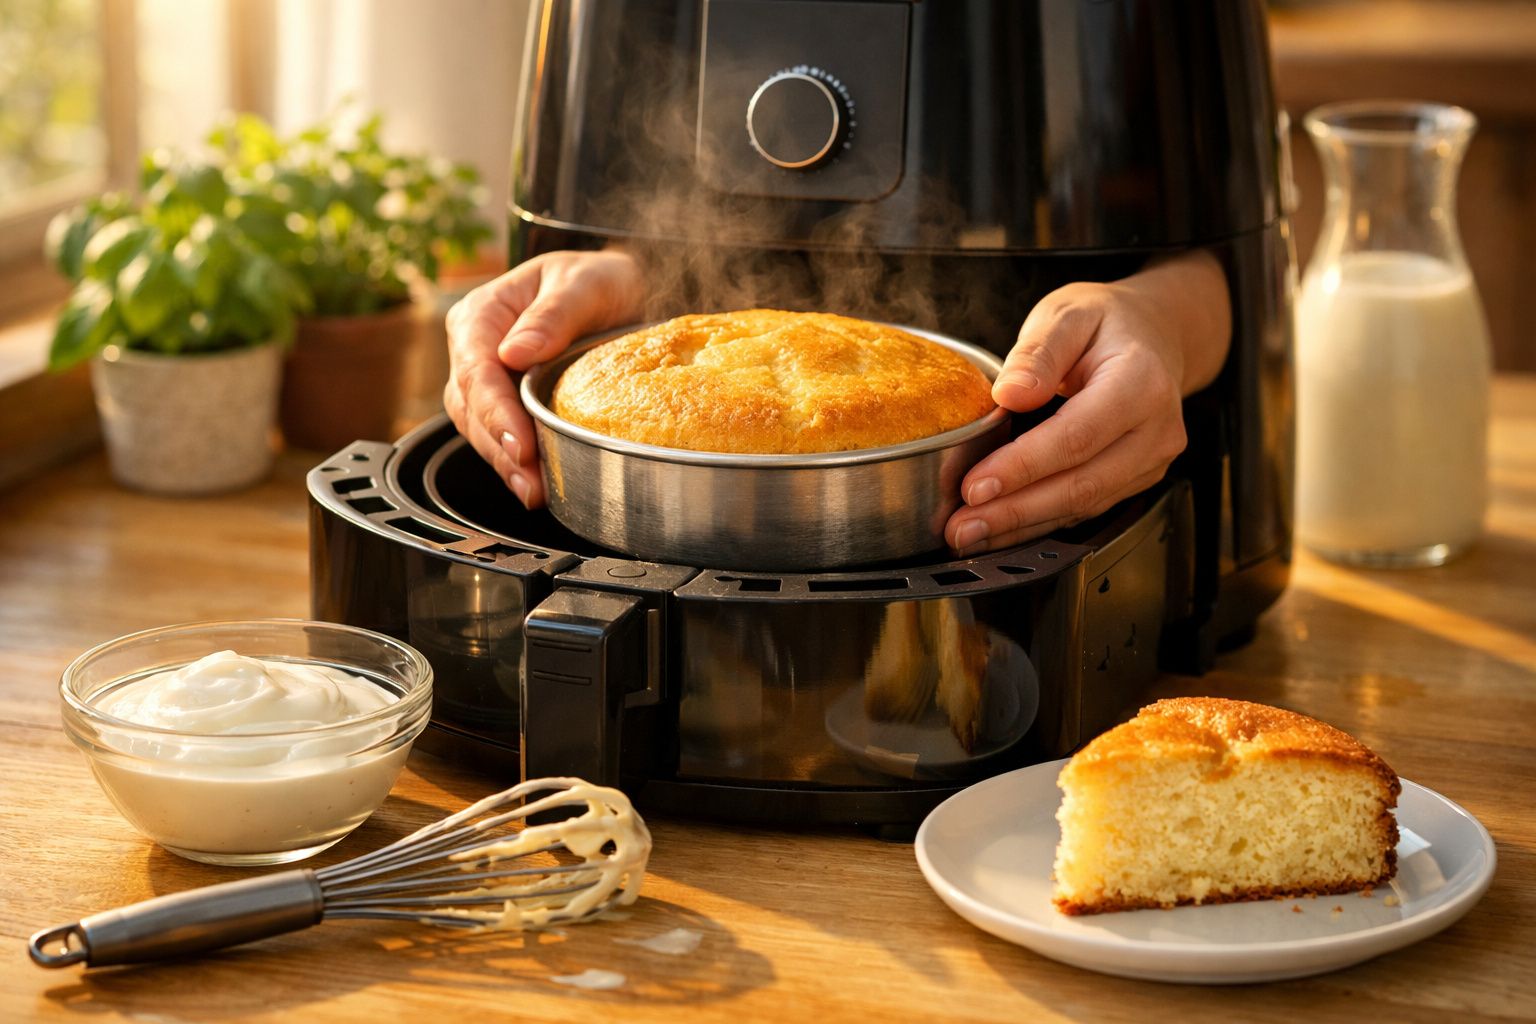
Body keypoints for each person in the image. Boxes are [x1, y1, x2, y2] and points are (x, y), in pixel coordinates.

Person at [444, 248, 1231, 557]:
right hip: (626, 388)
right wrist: (625, 274)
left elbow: (1230, 241)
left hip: (1041, 515)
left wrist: (1167, 317)